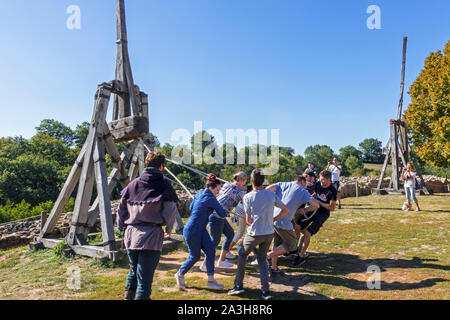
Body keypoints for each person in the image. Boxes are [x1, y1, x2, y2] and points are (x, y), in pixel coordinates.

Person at [117, 151, 179, 300]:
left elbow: (121, 209)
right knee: (144, 281)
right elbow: (170, 211)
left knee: (133, 271)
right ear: (162, 166)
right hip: (150, 237)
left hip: (131, 235)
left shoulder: (133, 184)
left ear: (147, 164)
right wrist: (169, 229)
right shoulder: (164, 185)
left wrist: (121, 227)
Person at [228, 168, 290, 300]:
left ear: (251, 181)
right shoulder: (271, 195)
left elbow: (249, 220)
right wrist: (273, 219)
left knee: (242, 254)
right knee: (262, 260)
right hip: (268, 233)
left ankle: (238, 286)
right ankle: (265, 292)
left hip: (254, 234)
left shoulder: (248, 197)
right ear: (264, 181)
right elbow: (285, 210)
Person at [175, 174, 227, 290]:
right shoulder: (211, 198)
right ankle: (180, 274)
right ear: (211, 188)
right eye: (217, 190)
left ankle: (211, 281)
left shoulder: (199, 194)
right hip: (193, 230)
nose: (218, 192)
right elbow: (223, 214)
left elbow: (191, 208)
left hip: (200, 229)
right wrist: (218, 208)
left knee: (210, 250)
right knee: (195, 256)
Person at [266, 176, 319, 277]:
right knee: (292, 244)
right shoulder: (302, 191)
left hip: (273, 217)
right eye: (305, 184)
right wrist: (306, 210)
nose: (306, 186)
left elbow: (267, 190)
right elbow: (316, 205)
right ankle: (267, 256)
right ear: (302, 181)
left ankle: (273, 268)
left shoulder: (283, 184)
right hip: (283, 220)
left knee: (277, 243)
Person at [199, 172, 247, 270]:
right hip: (216, 216)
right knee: (214, 241)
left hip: (219, 215)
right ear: (242, 181)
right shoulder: (239, 193)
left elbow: (234, 190)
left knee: (230, 234)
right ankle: (204, 264)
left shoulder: (227, 184)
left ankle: (222, 260)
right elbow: (247, 198)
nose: (244, 184)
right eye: (244, 182)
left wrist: (243, 189)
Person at [293, 170, 336, 266]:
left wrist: (319, 203)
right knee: (297, 226)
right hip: (313, 209)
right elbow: (314, 195)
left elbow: (332, 208)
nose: (320, 181)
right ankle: (294, 249)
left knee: (308, 233)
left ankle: (301, 255)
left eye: (322, 180)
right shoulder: (318, 185)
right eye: (320, 179)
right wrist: (308, 199)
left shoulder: (332, 190)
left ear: (328, 179)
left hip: (322, 214)